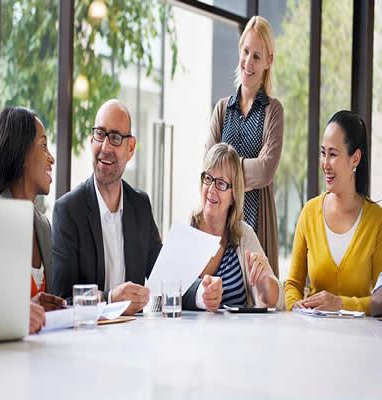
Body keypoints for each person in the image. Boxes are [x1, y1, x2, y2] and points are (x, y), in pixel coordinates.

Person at [52, 99, 222, 315]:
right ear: (92, 139)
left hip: (136, 334)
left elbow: (166, 277)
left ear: (130, 148)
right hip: (88, 335)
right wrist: (110, 299)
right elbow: (61, 302)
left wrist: (203, 294)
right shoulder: (67, 211)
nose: (105, 147)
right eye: (100, 134)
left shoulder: (140, 206)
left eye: (115, 138)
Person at [205, 16, 283, 278]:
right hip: (220, 225)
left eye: (257, 56)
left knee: (256, 292)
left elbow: (266, 170)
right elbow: (208, 167)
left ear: (268, 61)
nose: (248, 62)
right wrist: (247, 170)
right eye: (246, 51)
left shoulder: (273, 111)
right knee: (219, 290)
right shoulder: (221, 109)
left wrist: (225, 176)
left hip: (256, 222)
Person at [285, 111, 382, 315]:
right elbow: (293, 284)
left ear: (355, 159)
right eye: (323, 153)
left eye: (333, 154)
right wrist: (296, 306)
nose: (325, 164)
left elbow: (380, 301)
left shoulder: (376, 220)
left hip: (361, 334)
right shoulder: (309, 212)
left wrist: (340, 303)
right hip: (312, 332)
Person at [0, 106, 65, 333]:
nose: (51, 158)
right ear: (21, 154)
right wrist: (19, 312)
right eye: (43, 146)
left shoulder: (44, 226)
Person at [184, 143, 283, 311]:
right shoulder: (185, 233)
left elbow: (279, 302)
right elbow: (161, 297)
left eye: (221, 183)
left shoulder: (244, 235)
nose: (211, 189)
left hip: (238, 329)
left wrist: (264, 282)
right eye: (208, 179)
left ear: (233, 196)